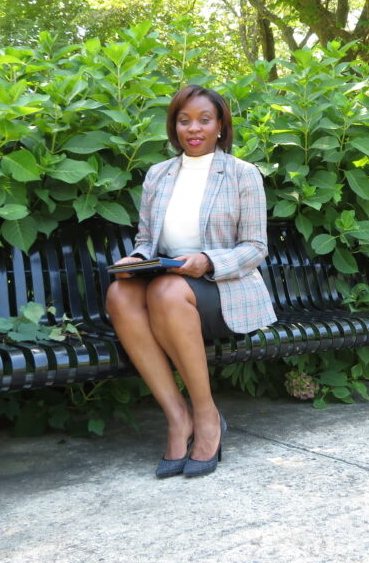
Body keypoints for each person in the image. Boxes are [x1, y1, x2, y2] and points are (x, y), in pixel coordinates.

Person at [105, 85, 276, 477]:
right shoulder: (158, 175)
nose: (193, 129)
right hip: (170, 281)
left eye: (204, 120)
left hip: (225, 287)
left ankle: (207, 415)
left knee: (165, 291)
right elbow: (147, 239)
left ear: (220, 126)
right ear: (174, 126)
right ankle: (177, 417)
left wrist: (208, 261)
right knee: (120, 294)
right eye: (184, 121)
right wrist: (137, 258)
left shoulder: (242, 174)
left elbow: (255, 248)